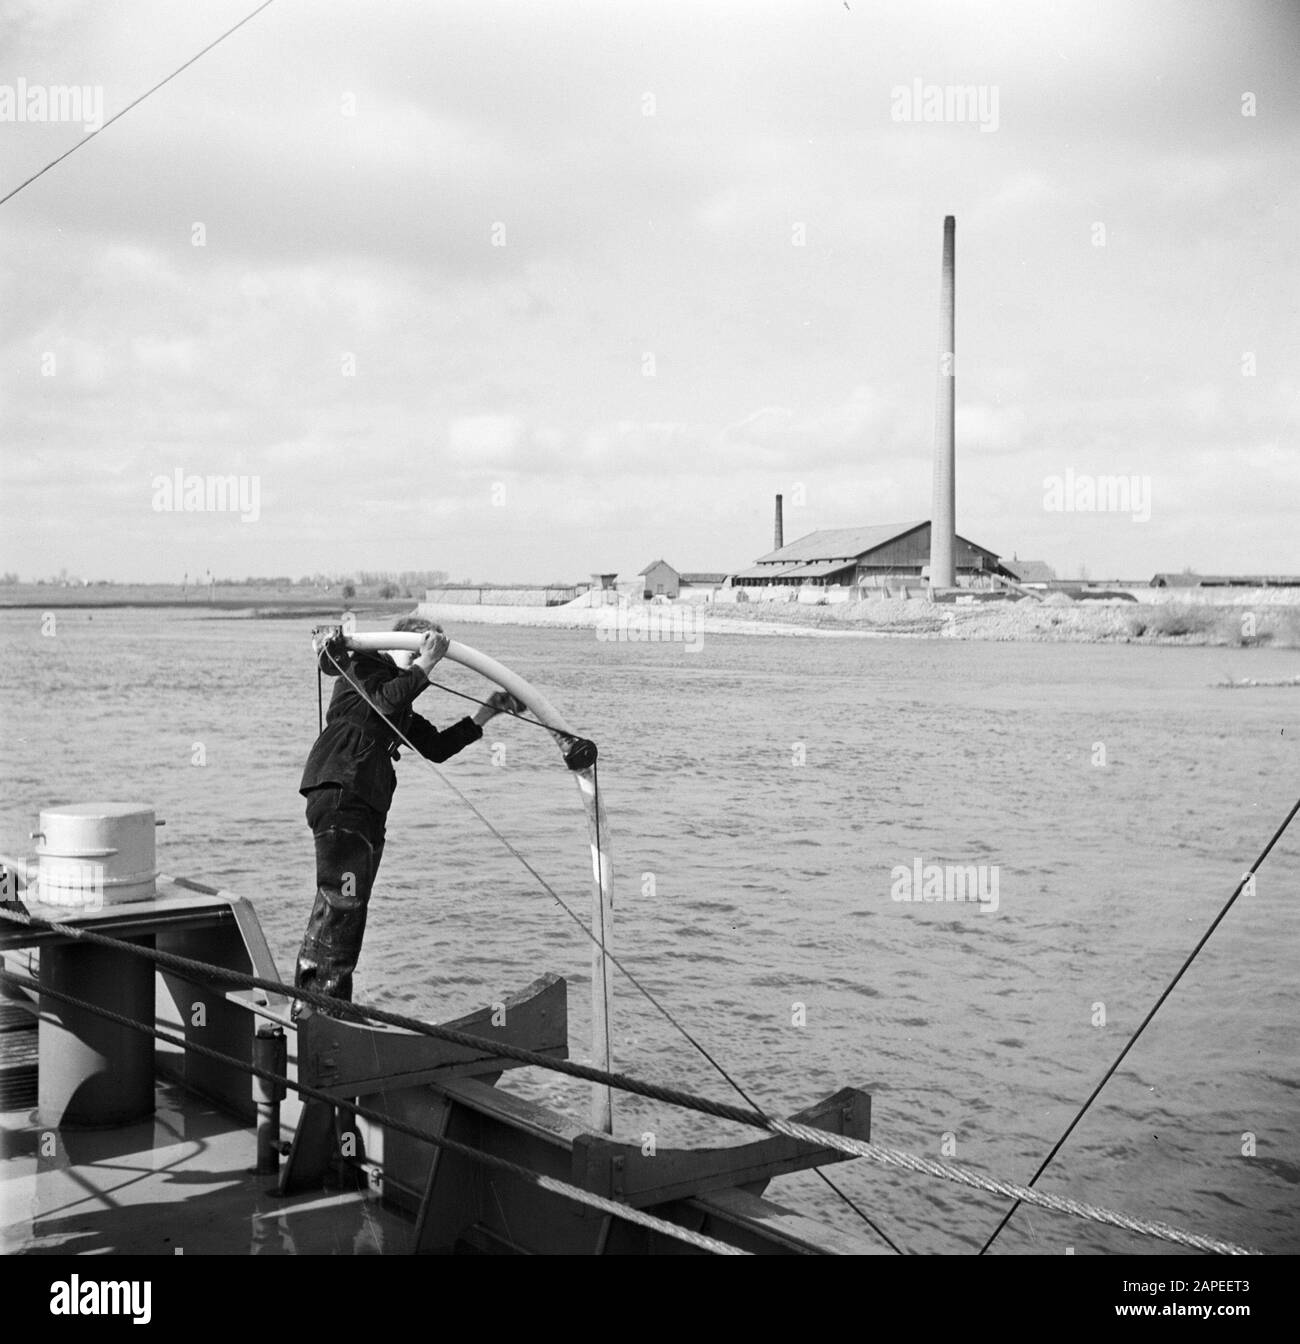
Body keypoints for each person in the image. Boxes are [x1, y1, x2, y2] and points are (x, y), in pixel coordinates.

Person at [293, 615, 518, 1017]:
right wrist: (425, 665)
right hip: (343, 789)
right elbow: (382, 700)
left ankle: (316, 1004)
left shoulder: (397, 702)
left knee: (342, 900)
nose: (420, 660)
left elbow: (436, 747)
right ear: (401, 644)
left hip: (362, 798)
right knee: (343, 900)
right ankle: (325, 1011)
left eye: (423, 654)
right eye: (417, 651)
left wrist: (485, 714)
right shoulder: (363, 668)